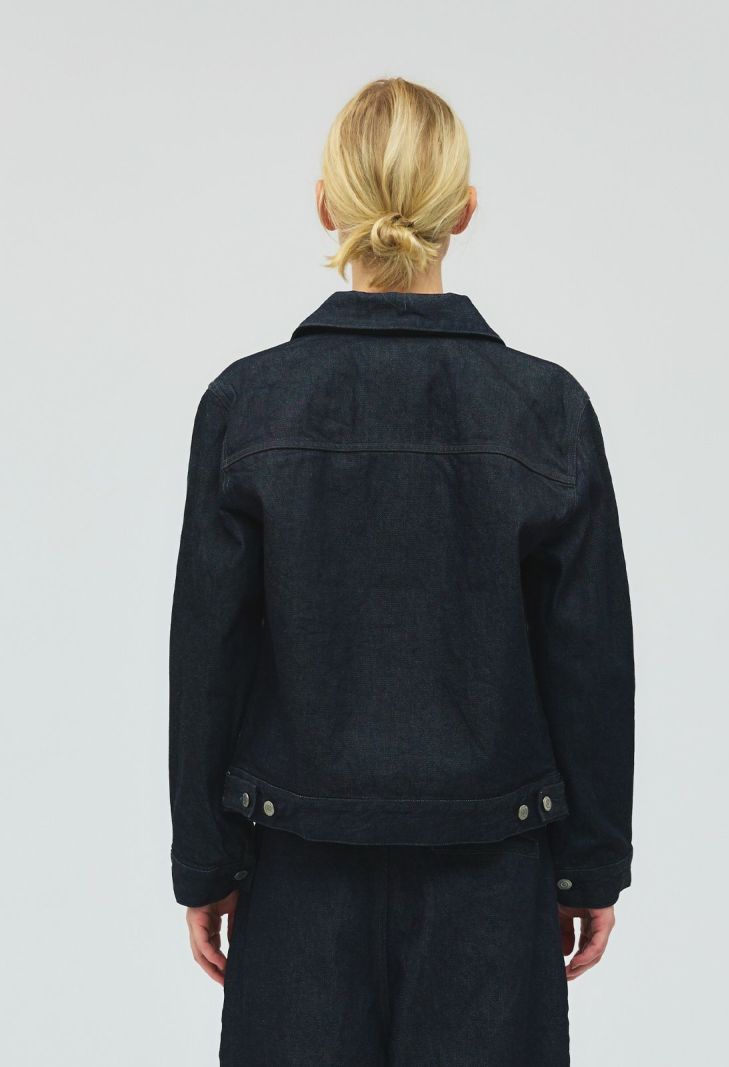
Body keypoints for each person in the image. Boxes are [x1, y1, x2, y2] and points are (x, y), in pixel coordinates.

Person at [168, 76, 635, 1066]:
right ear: (463, 210)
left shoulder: (247, 405)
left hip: (297, 875)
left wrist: (204, 863)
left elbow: (207, 653)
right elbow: (589, 659)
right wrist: (589, 865)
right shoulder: (545, 408)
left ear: (325, 206)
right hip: (491, 880)